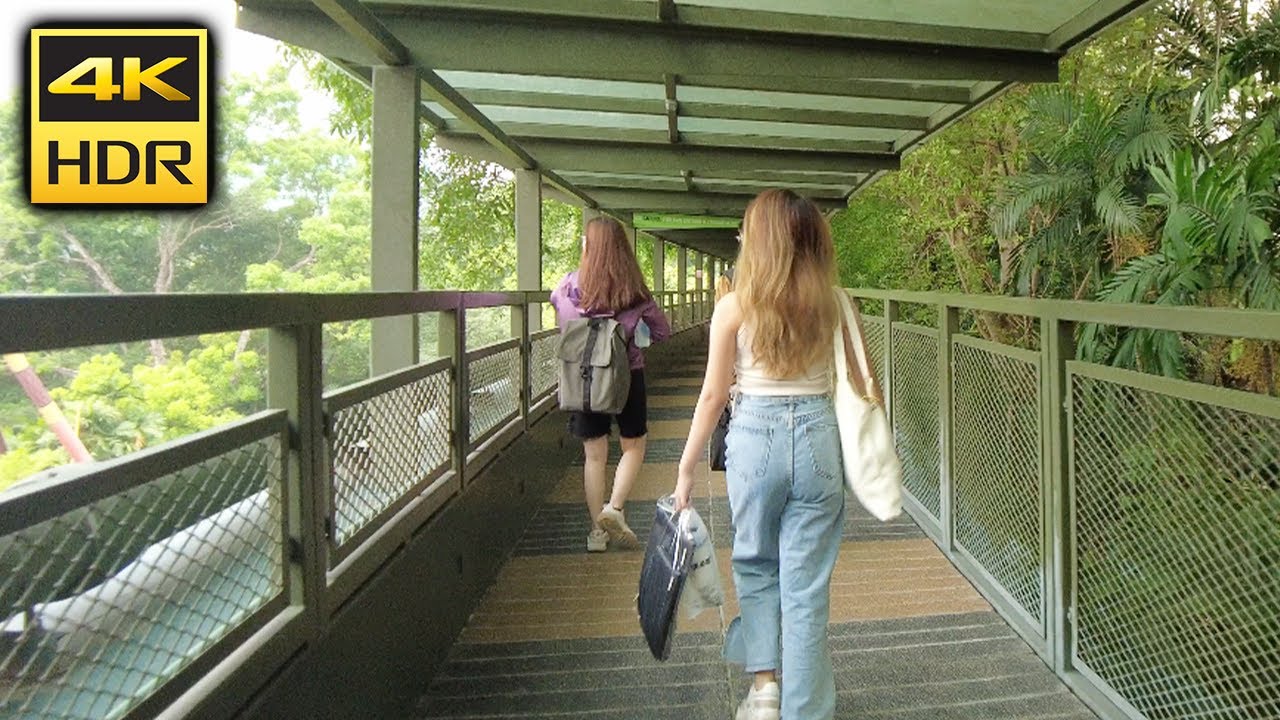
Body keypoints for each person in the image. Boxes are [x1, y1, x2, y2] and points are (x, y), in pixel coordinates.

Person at [673, 190, 845, 720]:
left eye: (746, 231)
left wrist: (684, 468)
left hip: (754, 436)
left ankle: (764, 688)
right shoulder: (835, 301)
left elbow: (713, 395)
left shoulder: (734, 305)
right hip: (818, 436)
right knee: (807, 586)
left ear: (762, 241)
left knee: (754, 563)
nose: (741, 239)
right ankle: (806, 711)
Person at [551, 216, 671, 553]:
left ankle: (596, 534)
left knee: (594, 456)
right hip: (626, 375)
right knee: (633, 445)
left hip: (583, 380)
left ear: (587, 246)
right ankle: (614, 508)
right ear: (622, 250)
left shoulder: (567, 287)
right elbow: (663, 332)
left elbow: (559, 310)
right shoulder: (634, 292)